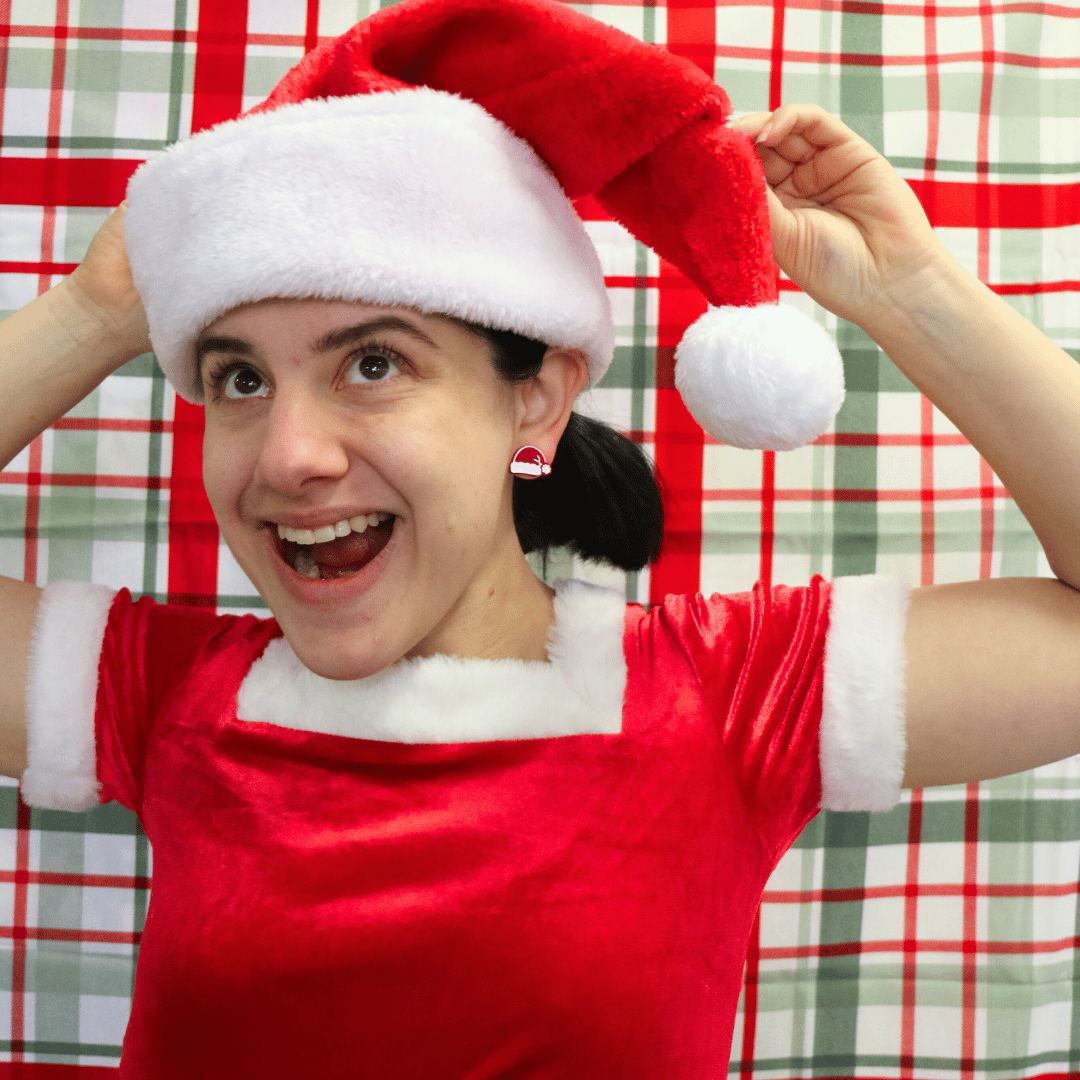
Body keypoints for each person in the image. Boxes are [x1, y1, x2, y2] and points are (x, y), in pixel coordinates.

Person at [1, 0, 1080, 1075]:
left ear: (537, 401)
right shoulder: (163, 699)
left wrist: (909, 289)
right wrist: (98, 311)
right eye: (239, 378)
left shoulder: (727, 700)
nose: (288, 456)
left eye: (372, 364)